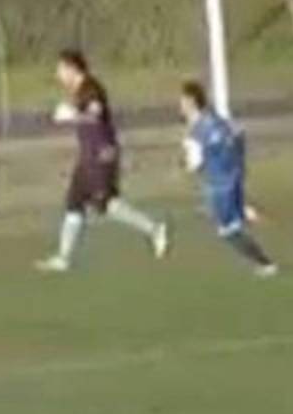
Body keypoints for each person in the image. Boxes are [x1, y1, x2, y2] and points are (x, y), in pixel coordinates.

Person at [39, 50, 169, 273]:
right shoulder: (80, 90)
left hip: (100, 155)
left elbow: (95, 114)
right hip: (87, 156)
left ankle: (154, 228)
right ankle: (63, 258)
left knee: (106, 205)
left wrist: (72, 115)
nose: (58, 75)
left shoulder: (91, 88)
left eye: (60, 70)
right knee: (74, 203)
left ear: (72, 68)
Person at [179, 81, 279, 277]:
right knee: (233, 215)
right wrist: (237, 164)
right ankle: (246, 212)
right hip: (234, 176)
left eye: (182, 102)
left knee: (228, 231)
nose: (180, 106)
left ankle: (265, 264)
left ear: (191, 102)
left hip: (218, 185)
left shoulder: (195, 132)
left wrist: (187, 165)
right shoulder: (216, 119)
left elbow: (195, 164)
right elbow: (239, 135)